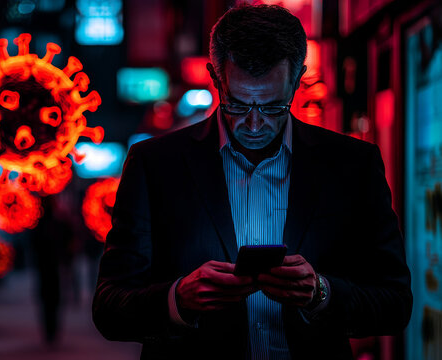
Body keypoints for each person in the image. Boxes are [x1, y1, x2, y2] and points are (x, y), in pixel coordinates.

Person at [92, 4, 412, 359]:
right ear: (215, 77)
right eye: (238, 104)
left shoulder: (352, 165)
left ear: (298, 78)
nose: (255, 123)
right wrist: (177, 299)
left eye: (274, 106)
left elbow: (395, 305)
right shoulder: (154, 165)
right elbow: (109, 308)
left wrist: (321, 293)